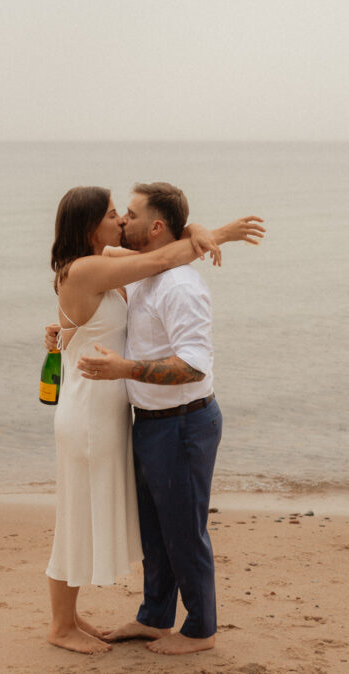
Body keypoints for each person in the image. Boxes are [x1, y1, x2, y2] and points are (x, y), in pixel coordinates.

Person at [45, 185, 263, 655]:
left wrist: (201, 231)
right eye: (112, 214)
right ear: (89, 227)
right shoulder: (105, 266)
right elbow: (157, 259)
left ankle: (198, 629)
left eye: (128, 213)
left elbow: (193, 362)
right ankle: (133, 619)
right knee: (125, 527)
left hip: (172, 420)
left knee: (179, 530)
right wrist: (213, 233)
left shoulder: (166, 279)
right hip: (111, 417)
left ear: (156, 226)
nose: (121, 221)